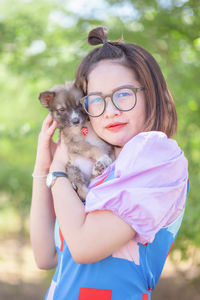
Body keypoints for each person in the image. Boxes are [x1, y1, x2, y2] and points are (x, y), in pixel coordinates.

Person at [30, 26, 189, 300]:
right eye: (95, 100)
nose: (111, 110)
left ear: (150, 94)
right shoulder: (98, 171)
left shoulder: (154, 155)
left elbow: (82, 247)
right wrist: (42, 168)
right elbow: (44, 257)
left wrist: (57, 172)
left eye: (124, 93)